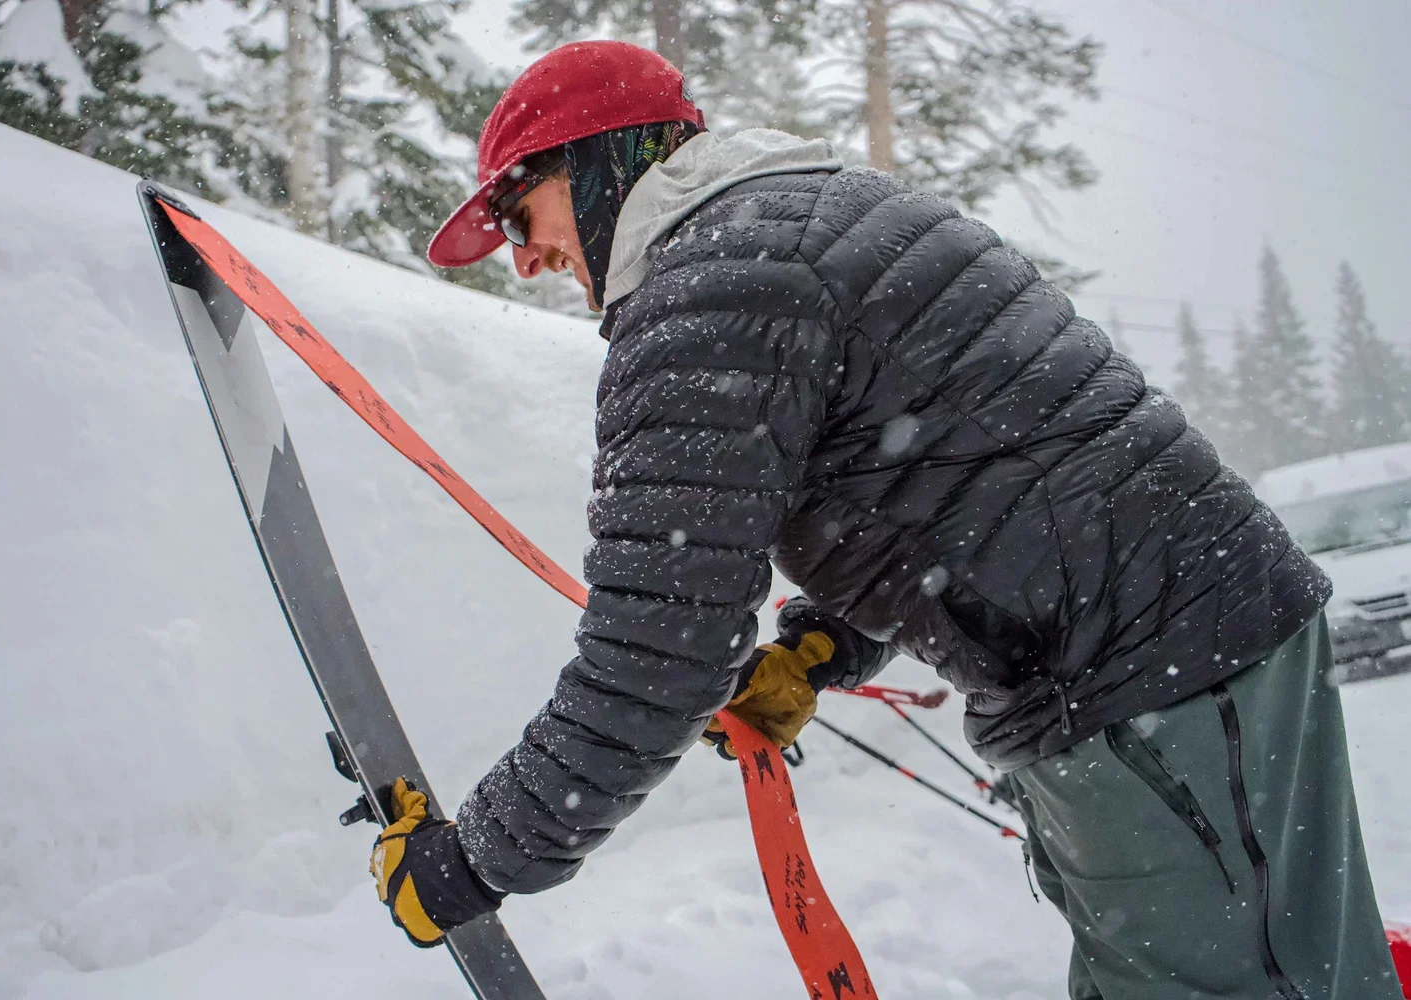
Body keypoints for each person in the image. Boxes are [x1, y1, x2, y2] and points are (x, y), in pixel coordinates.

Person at [366, 39, 1402, 999]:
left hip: (1153, 668)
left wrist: (471, 860)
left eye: (517, 212)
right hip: (1166, 649)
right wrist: (822, 646)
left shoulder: (709, 287)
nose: (524, 258)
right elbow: (956, 463)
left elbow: (657, 649)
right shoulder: (800, 221)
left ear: (596, 165)